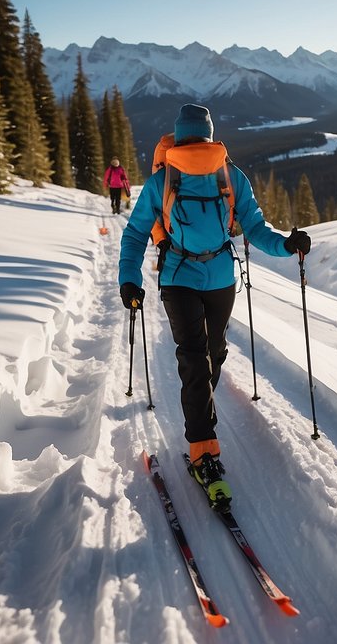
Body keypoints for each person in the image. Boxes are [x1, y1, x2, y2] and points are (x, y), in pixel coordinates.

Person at [119, 103, 310, 510]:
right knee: (197, 359)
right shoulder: (228, 174)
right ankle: (203, 452)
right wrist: (286, 244)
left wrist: (130, 279)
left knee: (211, 355)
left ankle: (199, 418)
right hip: (206, 277)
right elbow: (256, 228)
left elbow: (136, 235)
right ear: (207, 134)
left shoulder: (169, 179)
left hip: (189, 276)